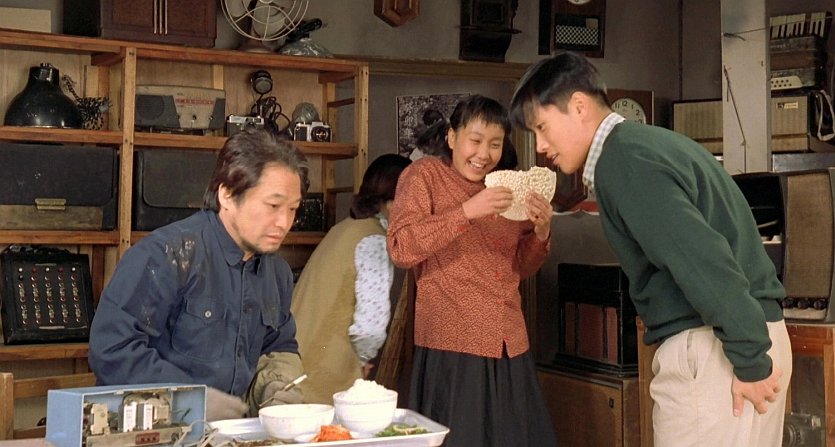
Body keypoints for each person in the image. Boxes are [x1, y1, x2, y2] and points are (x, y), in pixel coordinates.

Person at [509, 52, 791, 447]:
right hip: (742, 337)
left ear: (578, 106)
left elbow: (701, 259)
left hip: (718, 348)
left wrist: (749, 357)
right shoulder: (648, 144)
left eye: (542, 127)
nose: (540, 146)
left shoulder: (623, 160)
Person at [89, 128, 309, 421]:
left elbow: (279, 346)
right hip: (154, 431)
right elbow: (112, 349)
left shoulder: (277, 272)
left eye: (293, 209)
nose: (284, 222)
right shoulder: (166, 255)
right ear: (227, 194)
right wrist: (188, 399)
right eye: (273, 206)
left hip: (231, 432)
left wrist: (279, 387)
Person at [387, 94, 558, 446]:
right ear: (452, 137)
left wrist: (541, 233)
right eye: (475, 140)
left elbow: (520, 267)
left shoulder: (508, 187)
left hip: (510, 342)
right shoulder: (425, 176)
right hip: (452, 343)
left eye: (495, 144)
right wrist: (467, 211)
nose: (484, 154)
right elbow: (401, 248)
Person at [291, 153, 412, 404]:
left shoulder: (344, 228)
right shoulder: (374, 241)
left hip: (293, 362)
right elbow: (369, 324)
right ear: (395, 203)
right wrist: (365, 359)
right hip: (324, 372)